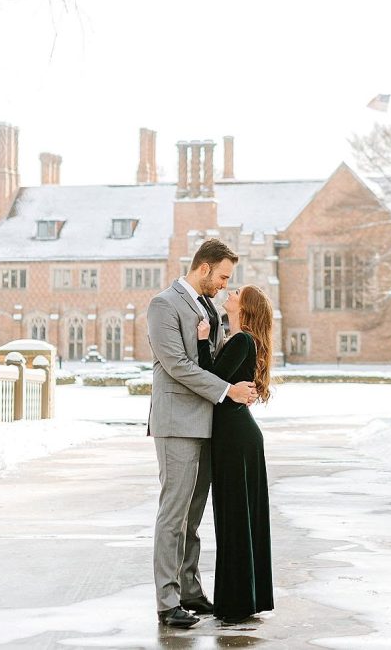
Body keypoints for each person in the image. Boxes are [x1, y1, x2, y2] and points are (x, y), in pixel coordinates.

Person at [146, 239, 258, 629]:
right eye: (223, 276)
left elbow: (211, 359)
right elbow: (175, 363)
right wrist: (228, 391)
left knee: (192, 516)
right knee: (173, 513)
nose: (225, 285)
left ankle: (190, 591)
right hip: (176, 422)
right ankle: (167, 601)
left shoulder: (207, 306)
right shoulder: (164, 304)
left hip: (207, 423)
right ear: (204, 267)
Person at [195, 285, 274, 625]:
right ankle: (242, 598)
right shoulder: (237, 340)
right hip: (237, 435)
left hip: (235, 438)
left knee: (235, 518)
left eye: (237, 291)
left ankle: (237, 602)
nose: (230, 290)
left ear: (246, 307)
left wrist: (201, 340)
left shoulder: (241, 340)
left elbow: (208, 379)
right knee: (238, 517)